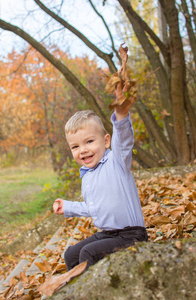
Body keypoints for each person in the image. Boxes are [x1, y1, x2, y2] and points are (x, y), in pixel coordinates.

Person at [53, 100, 147, 271]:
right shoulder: (88, 176)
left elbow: (124, 141)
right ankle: (75, 288)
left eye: (89, 141)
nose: (82, 150)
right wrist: (68, 207)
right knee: (71, 255)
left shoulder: (117, 162)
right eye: (75, 146)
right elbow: (94, 208)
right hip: (108, 235)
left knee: (89, 253)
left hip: (131, 235)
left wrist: (121, 115)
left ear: (105, 141)